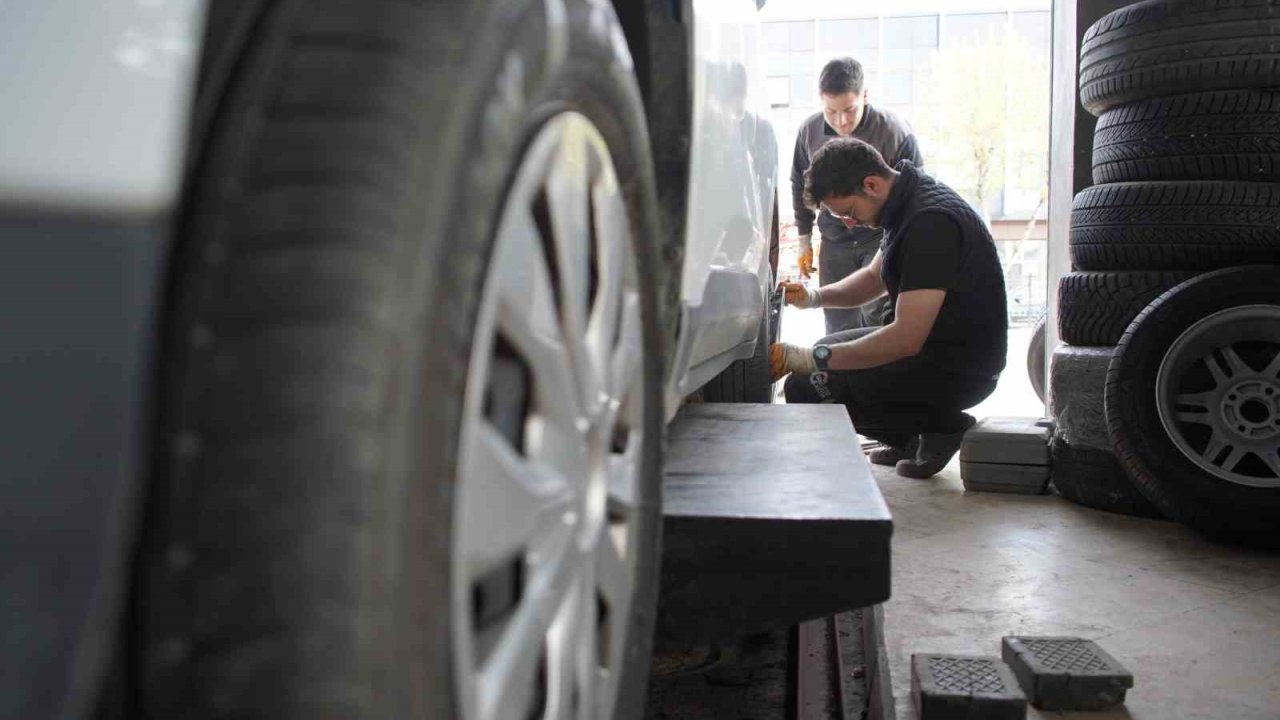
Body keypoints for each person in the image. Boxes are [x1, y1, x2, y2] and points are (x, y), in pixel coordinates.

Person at [771, 138, 1007, 479]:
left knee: (806, 385)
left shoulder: (929, 223)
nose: (849, 224)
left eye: (850, 212)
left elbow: (905, 340)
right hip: (937, 349)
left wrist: (811, 359)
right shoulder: (907, 203)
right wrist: (813, 297)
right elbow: (872, 279)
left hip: (959, 369)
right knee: (823, 356)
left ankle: (941, 426)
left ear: (871, 184)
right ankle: (908, 439)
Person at [791, 57, 922, 334]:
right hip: (834, 239)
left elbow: (914, 192)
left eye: (849, 110)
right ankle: (837, 361)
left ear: (865, 96)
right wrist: (804, 239)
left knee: (876, 315)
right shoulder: (808, 132)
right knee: (836, 320)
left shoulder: (895, 132)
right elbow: (800, 184)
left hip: (880, 236)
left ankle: (872, 361)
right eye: (831, 111)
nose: (841, 121)